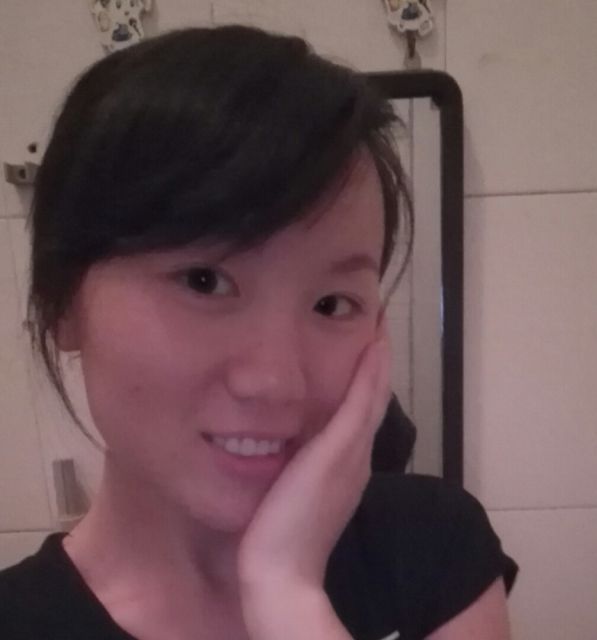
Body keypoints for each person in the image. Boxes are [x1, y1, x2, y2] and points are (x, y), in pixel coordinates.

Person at [0, 25, 517, 640]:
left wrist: (285, 591)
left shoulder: (431, 551)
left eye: (331, 303)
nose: (276, 382)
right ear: (63, 301)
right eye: (203, 281)